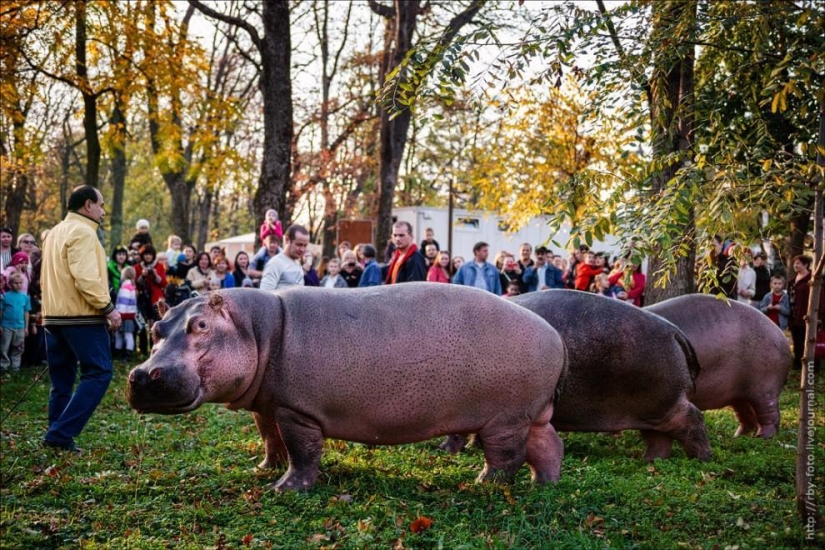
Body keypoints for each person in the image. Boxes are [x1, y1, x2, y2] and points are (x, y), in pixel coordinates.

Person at [40, 185, 122, 452]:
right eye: (100, 204)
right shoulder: (84, 232)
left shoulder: (54, 233)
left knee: (61, 381)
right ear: (88, 205)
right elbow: (86, 277)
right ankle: (61, 434)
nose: (103, 210)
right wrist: (108, 307)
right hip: (81, 317)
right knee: (99, 373)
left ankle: (57, 434)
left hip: (53, 317)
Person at [260, 224, 309, 292]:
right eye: (299, 245)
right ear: (287, 240)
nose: (302, 249)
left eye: (305, 245)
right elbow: (265, 295)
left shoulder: (297, 263)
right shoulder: (275, 263)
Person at [1, 271, 31, 372]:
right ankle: (4, 366)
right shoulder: (5, 297)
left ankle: (15, 367)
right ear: (10, 284)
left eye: (20, 283)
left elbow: (26, 312)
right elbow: (1, 311)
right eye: (15, 283)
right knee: (4, 348)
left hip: (20, 327)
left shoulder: (25, 297)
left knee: (18, 348)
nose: (18, 285)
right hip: (7, 326)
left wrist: (26, 327)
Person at [113, 266, 137, 361]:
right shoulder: (131, 286)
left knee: (125, 334)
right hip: (129, 314)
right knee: (125, 334)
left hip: (124, 315)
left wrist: (119, 314)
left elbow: (123, 302)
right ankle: (121, 351)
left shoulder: (125, 288)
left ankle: (126, 354)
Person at [711, 234, 737, 298]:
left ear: (721, 244)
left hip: (726, 301)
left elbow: (728, 281)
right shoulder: (705, 263)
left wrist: (715, 266)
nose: (711, 249)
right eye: (709, 247)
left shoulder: (730, 261)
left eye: (714, 246)